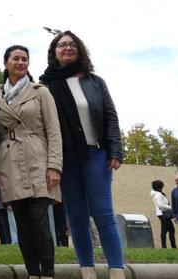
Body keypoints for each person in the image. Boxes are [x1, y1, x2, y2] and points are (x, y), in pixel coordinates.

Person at [39, 31, 124, 279]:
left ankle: (116, 270)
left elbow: (110, 116)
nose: (67, 48)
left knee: (103, 212)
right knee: (76, 215)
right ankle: (87, 270)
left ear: (80, 50)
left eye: (72, 44)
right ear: (54, 51)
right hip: (65, 157)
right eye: (62, 44)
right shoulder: (46, 85)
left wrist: (115, 150)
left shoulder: (95, 81)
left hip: (97, 154)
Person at [0, 45, 62, 279]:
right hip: (8, 162)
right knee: (22, 225)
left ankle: (48, 273)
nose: (21, 62)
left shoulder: (41, 92)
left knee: (40, 222)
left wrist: (54, 166)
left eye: (25, 59)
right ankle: (32, 273)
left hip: (38, 159)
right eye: (16, 58)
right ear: (6, 63)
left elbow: (54, 130)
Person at [151, 179, 177, 249]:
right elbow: (160, 205)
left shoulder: (158, 194)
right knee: (171, 230)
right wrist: (170, 208)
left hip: (162, 214)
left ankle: (165, 247)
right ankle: (172, 246)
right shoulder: (158, 194)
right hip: (163, 214)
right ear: (160, 186)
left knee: (165, 230)